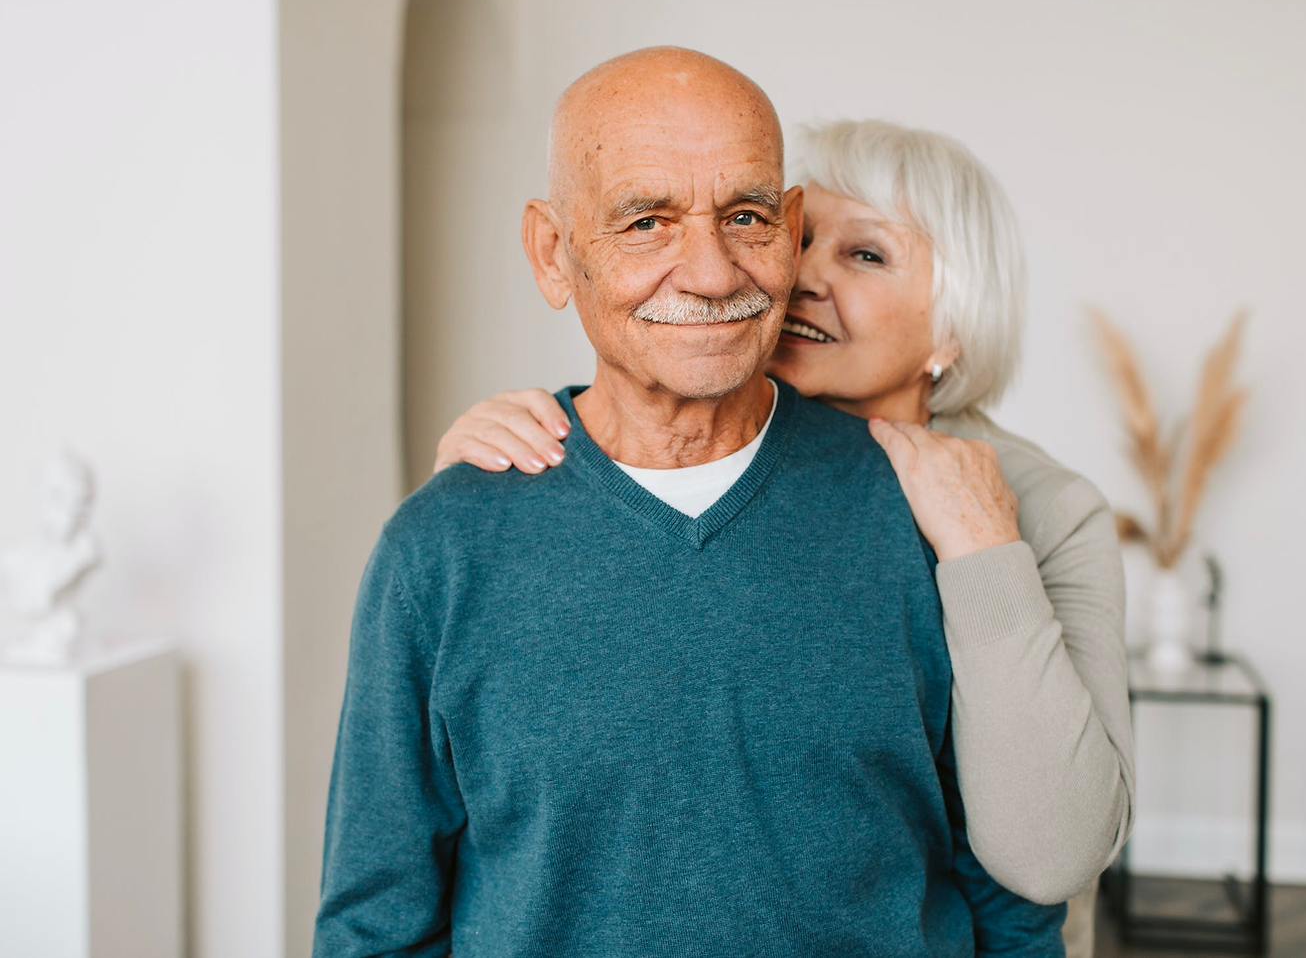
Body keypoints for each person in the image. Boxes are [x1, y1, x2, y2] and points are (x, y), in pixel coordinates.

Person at [313, 47, 1066, 957]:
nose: (711, 272)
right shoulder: (440, 548)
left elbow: (1014, 904)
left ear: (790, 234)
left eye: (745, 216)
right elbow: (375, 925)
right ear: (555, 253)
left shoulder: (929, 516)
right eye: (646, 222)